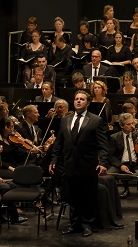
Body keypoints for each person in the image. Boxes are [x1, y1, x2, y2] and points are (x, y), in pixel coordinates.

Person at [50, 90, 109, 237]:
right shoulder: (65, 119)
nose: (78, 101)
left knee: (87, 196)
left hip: (88, 165)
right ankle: (74, 224)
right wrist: (54, 160)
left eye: (82, 99)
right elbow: (59, 143)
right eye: (76, 99)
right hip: (69, 165)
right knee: (73, 196)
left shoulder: (96, 120)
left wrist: (103, 162)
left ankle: (87, 224)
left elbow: (102, 145)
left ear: (87, 103)